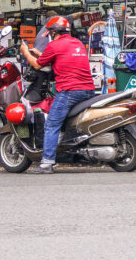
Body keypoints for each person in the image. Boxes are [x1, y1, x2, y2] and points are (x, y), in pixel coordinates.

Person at [20, 15, 95, 174]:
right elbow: (59, 59)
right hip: (88, 90)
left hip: (70, 91)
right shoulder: (78, 43)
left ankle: (47, 163)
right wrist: (40, 53)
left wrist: (26, 52)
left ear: (53, 32)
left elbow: (37, 66)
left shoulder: (54, 45)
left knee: (51, 124)